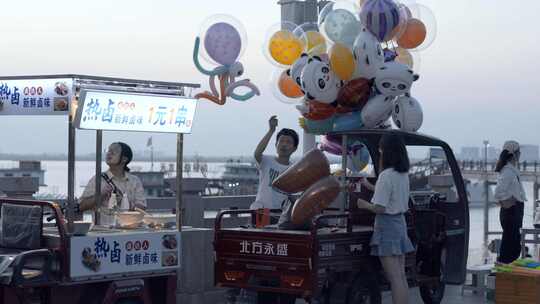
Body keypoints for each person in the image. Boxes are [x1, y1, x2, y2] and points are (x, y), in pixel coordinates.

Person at [356, 134, 414, 304]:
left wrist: (363, 204)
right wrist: (369, 186)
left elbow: (380, 207)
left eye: (381, 149)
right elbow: (391, 196)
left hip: (387, 227)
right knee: (401, 276)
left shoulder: (386, 175)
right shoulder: (402, 174)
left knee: (394, 278)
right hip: (400, 225)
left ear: (386, 151)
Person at [79, 142, 146, 224]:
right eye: (108, 151)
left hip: (130, 231)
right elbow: (81, 206)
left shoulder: (135, 181)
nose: (109, 153)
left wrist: (122, 201)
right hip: (103, 232)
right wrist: (101, 195)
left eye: (114, 151)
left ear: (124, 159)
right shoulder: (98, 179)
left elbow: (142, 209)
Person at [251, 115, 299, 211]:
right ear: (276, 144)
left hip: (281, 214)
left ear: (294, 148)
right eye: (281, 141)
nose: (284, 144)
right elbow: (257, 153)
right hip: (261, 211)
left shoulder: (294, 170)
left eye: (288, 142)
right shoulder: (267, 161)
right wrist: (271, 130)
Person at [494, 140, 526, 264]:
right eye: (519, 152)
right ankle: (502, 271)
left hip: (514, 212)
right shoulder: (508, 171)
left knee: (513, 246)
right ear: (514, 154)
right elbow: (498, 193)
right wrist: (507, 201)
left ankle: (505, 270)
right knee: (510, 247)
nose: (520, 154)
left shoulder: (512, 170)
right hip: (511, 212)